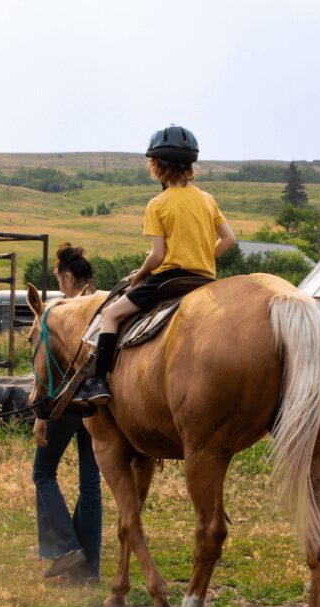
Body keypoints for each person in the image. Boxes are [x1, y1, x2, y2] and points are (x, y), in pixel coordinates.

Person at [73, 125, 236, 405]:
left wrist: (139, 275)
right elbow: (229, 239)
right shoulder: (207, 199)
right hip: (204, 280)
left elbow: (158, 256)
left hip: (167, 280)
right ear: (190, 166)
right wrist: (203, 256)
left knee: (111, 315)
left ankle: (98, 381)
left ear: (157, 167)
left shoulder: (158, 204)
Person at [32, 243, 103, 583]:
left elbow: (47, 367)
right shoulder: (105, 306)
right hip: (97, 403)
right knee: (90, 484)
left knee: (43, 472)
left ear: (70, 277)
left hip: (64, 403)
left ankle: (65, 548)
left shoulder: (59, 311)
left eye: (60, 280)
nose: (59, 287)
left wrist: (41, 414)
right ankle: (88, 571)